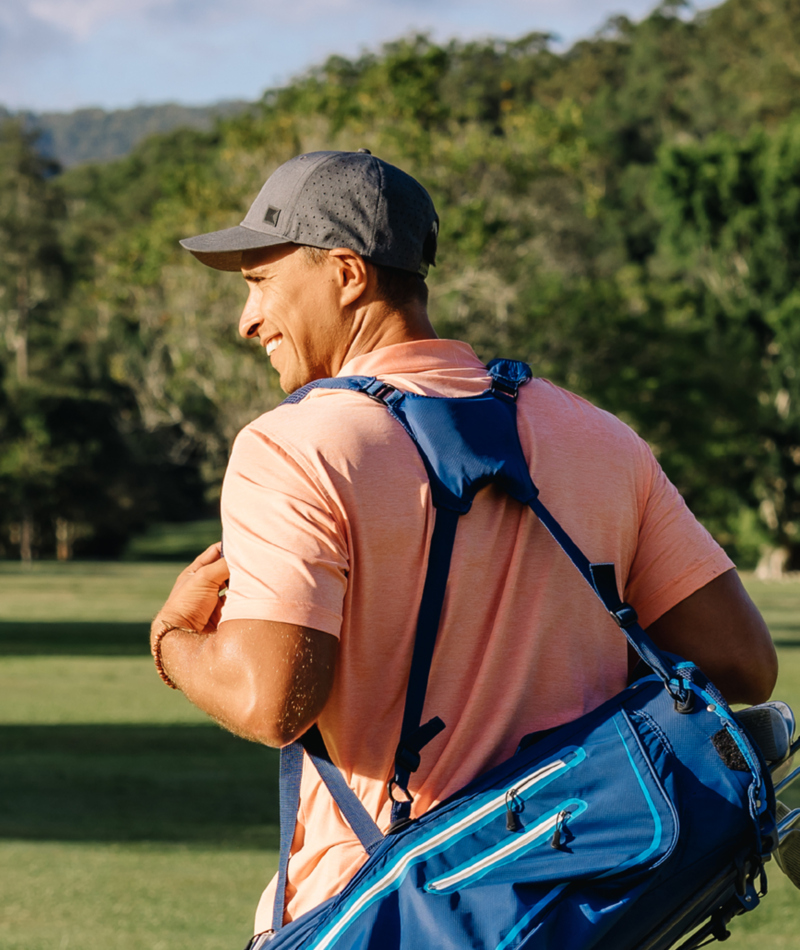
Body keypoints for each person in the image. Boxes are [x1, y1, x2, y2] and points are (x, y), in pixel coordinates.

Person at [150, 149, 778, 939]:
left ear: (346, 273)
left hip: (388, 910)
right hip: (585, 905)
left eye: (260, 281)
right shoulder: (600, 436)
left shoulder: (293, 447)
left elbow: (271, 700)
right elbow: (741, 662)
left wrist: (173, 641)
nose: (247, 319)